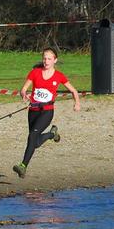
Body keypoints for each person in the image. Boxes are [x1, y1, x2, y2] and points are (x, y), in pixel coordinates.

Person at [13, 47, 81, 178]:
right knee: (35, 142)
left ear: (55, 60)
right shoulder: (35, 72)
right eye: (44, 58)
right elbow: (23, 89)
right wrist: (24, 94)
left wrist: (77, 103)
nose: (46, 61)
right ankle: (51, 134)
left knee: (32, 136)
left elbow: (74, 91)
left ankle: (23, 166)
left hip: (47, 112)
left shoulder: (59, 76)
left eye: (49, 58)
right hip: (33, 111)